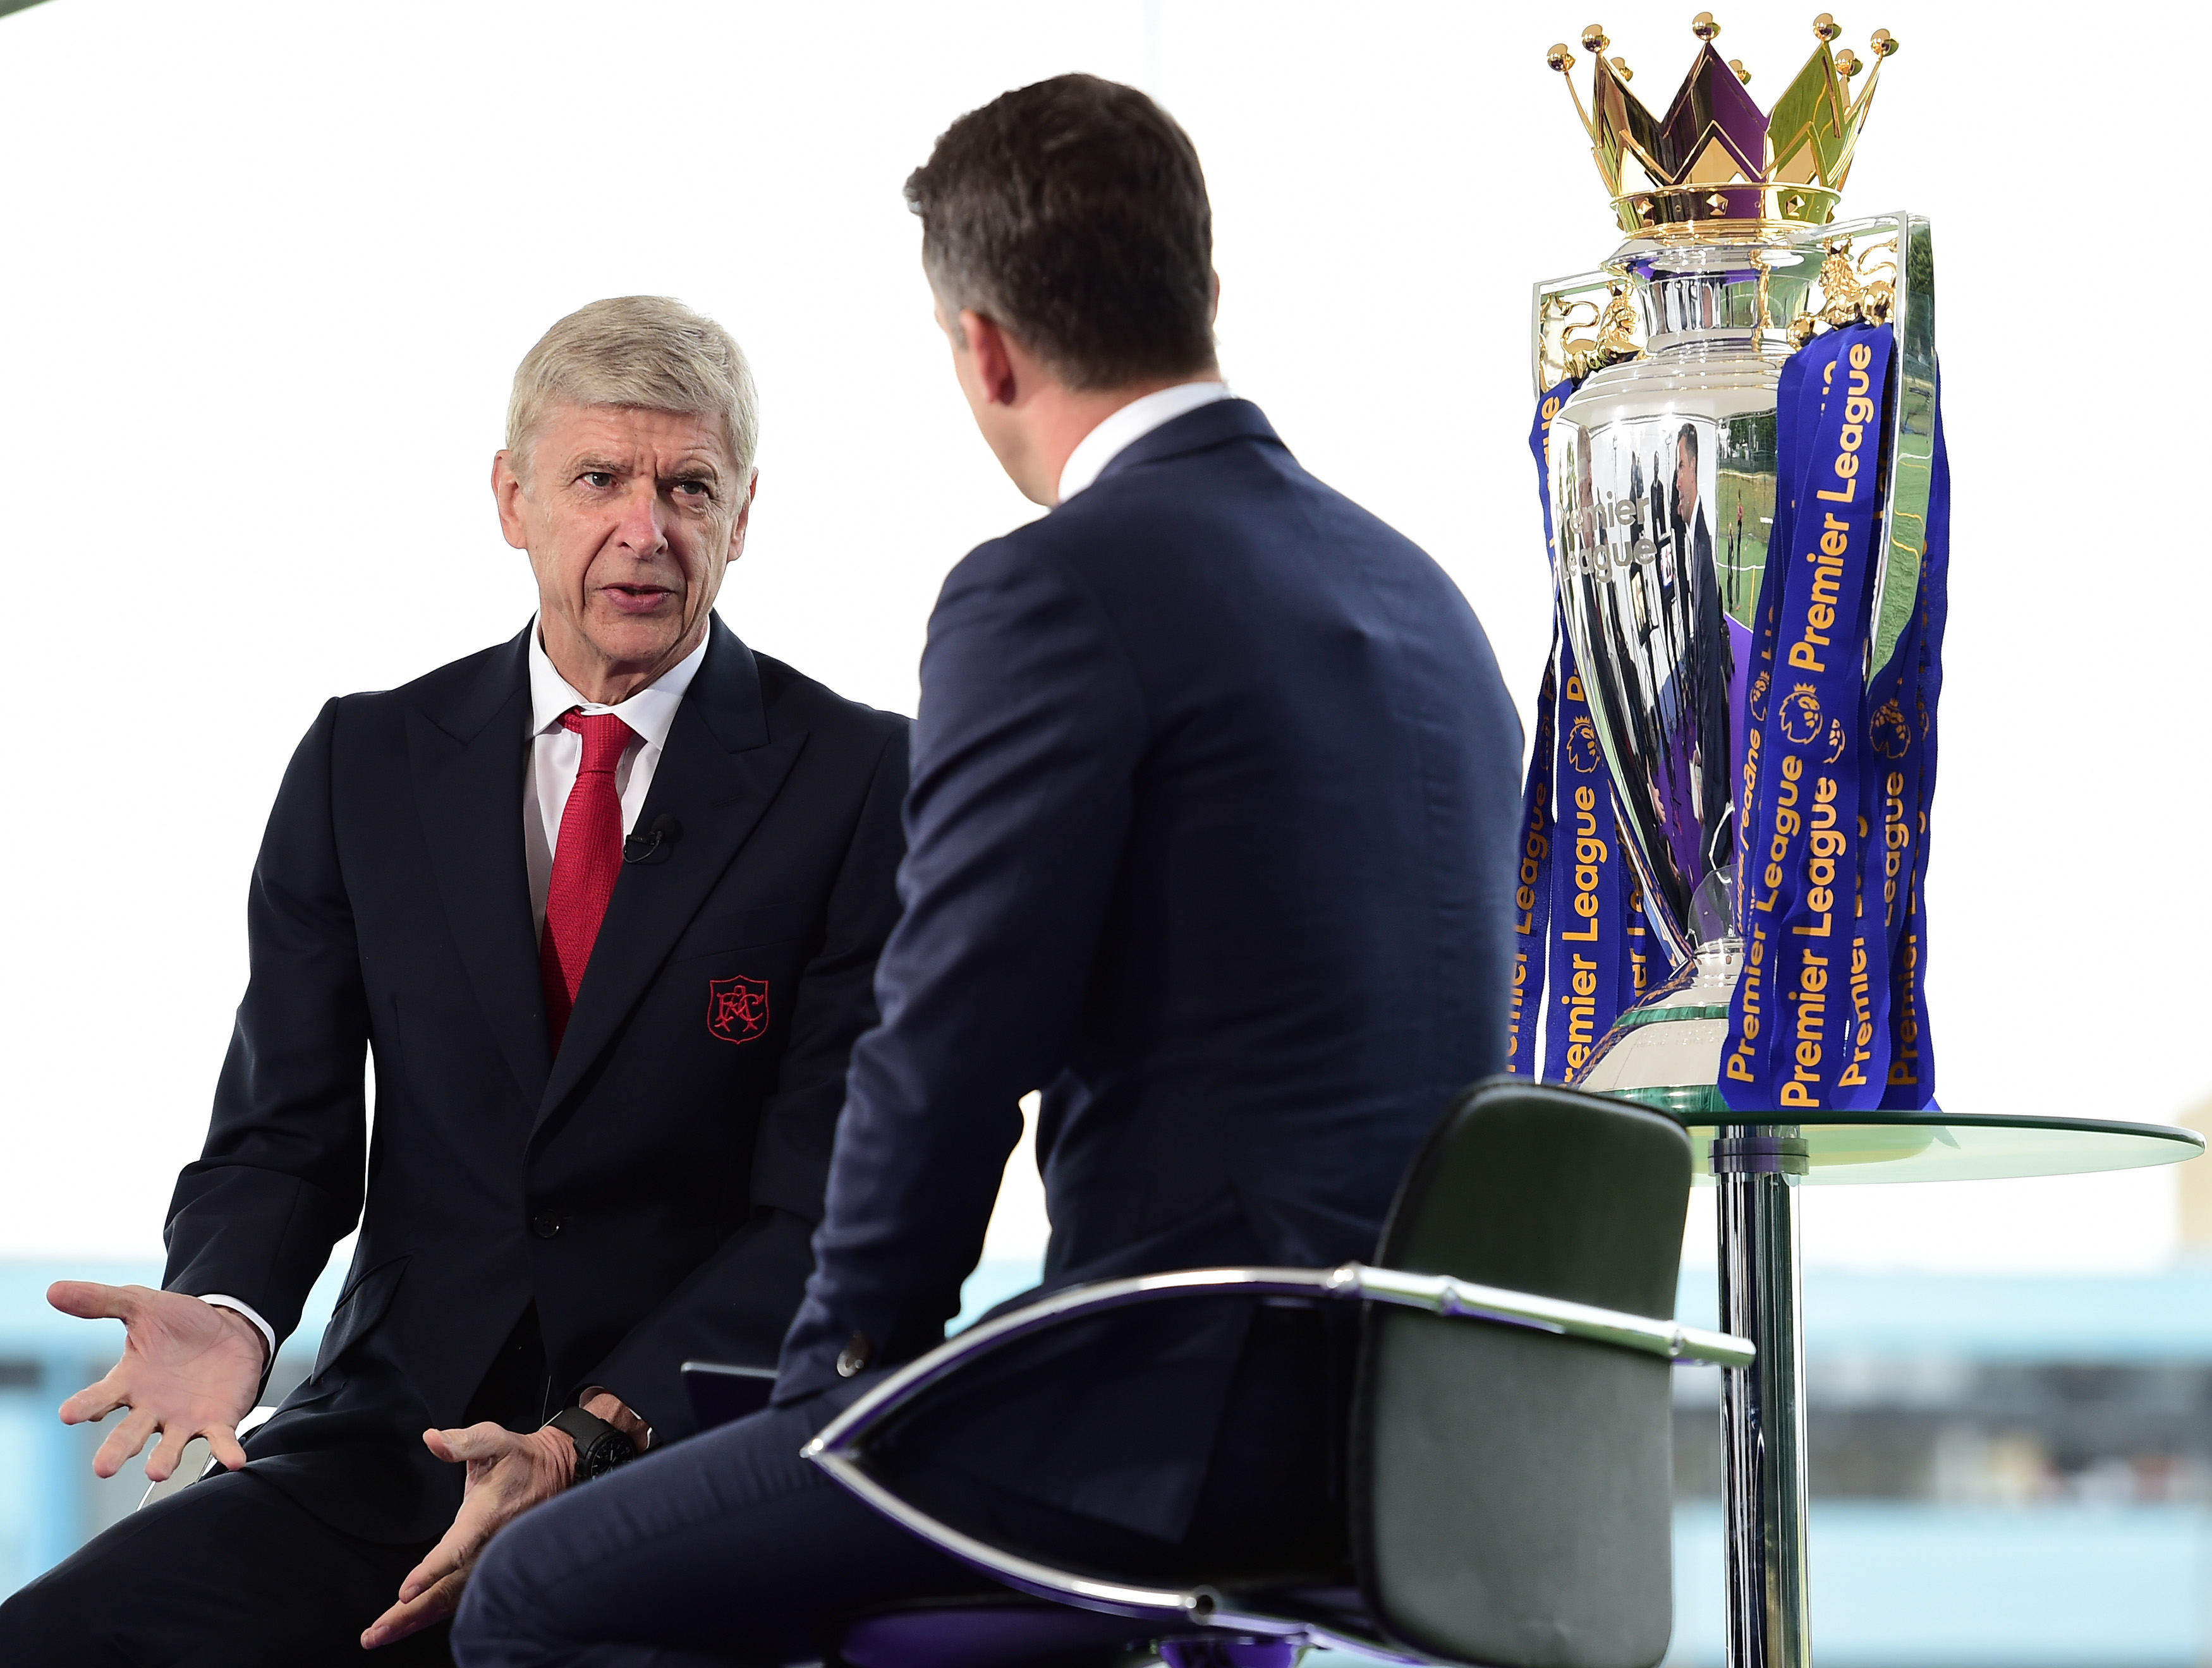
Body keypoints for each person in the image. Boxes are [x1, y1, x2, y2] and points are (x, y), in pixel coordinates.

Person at [452, 74, 1523, 1667]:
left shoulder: (1056, 589)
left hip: (1171, 1421)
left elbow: (951, 1047)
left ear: (986, 347)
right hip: (1423, 1436)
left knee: (531, 1600)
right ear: (1201, 294)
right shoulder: (1426, 599)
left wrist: (831, 1393)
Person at [0, 297, 911, 1665]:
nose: (643, 529)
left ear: (744, 515)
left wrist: (582, 1438)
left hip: (676, 1459)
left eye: (688, 487)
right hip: (386, 1445)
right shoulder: (366, 762)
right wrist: (236, 1306)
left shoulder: (857, 781)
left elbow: (825, 1210)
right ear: (512, 498)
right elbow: (283, 1138)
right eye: (598, 479)